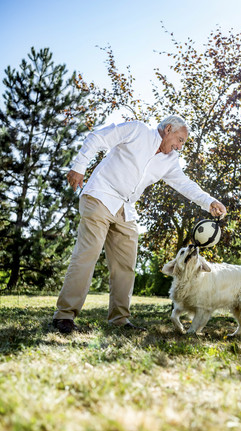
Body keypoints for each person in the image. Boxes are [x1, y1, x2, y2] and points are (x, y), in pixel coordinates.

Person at [53, 115, 227, 333]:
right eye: (180, 139)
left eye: (183, 143)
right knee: (87, 255)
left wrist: (208, 201)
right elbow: (97, 137)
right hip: (100, 196)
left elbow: (185, 184)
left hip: (125, 208)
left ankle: (119, 320)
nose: (180, 147)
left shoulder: (170, 160)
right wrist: (79, 166)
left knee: (126, 265)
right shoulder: (137, 130)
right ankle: (64, 316)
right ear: (168, 129)